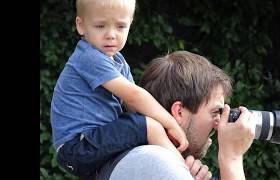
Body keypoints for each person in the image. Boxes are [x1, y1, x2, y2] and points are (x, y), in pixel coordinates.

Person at [50, 0, 188, 178]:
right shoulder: (89, 57)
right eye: (100, 26)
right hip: (77, 147)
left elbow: (133, 106)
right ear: (81, 25)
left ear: (130, 24)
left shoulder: (118, 61)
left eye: (120, 26)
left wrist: (162, 128)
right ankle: (184, 173)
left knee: (144, 127)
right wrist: (171, 124)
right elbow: (134, 97)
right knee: (150, 127)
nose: (111, 35)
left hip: (91, 143)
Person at [95, 51, 255, 180]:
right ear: (179, 112)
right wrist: (232, 159)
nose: (219, 123)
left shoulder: (139, 158)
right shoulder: (156, 161)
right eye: (215, 112)